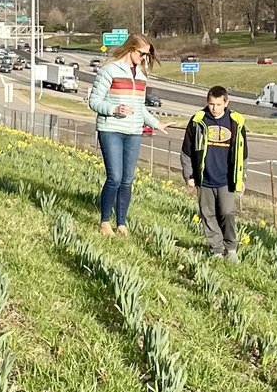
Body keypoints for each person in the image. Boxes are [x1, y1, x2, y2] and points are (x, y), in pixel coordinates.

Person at [87, 33, 169, 236]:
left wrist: (157, 123)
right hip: (111, 130)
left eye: (147, 56)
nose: (144, 59)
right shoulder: (109, 70)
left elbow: (141, 108)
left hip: (133, 132)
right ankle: (105, 221)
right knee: (114, 177)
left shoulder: (141, 76)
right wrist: (115, 109)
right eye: (142, 54)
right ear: (132, 49)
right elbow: (94, 101)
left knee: (127, 179)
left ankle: (121, 223)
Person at [180, 85, 249, 262]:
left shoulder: (236, 122)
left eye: (218, 104)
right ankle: (217, 250)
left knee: (227, 212)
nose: (215, 108)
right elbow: (186, 151)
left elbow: (243, 154)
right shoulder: (197, 121)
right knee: (207, 215)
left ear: (226, 102)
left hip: (227, 179)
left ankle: (231, 248)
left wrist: (242, 178)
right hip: (204, 179)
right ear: (207, 102)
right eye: (211, 104)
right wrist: (189, 175)